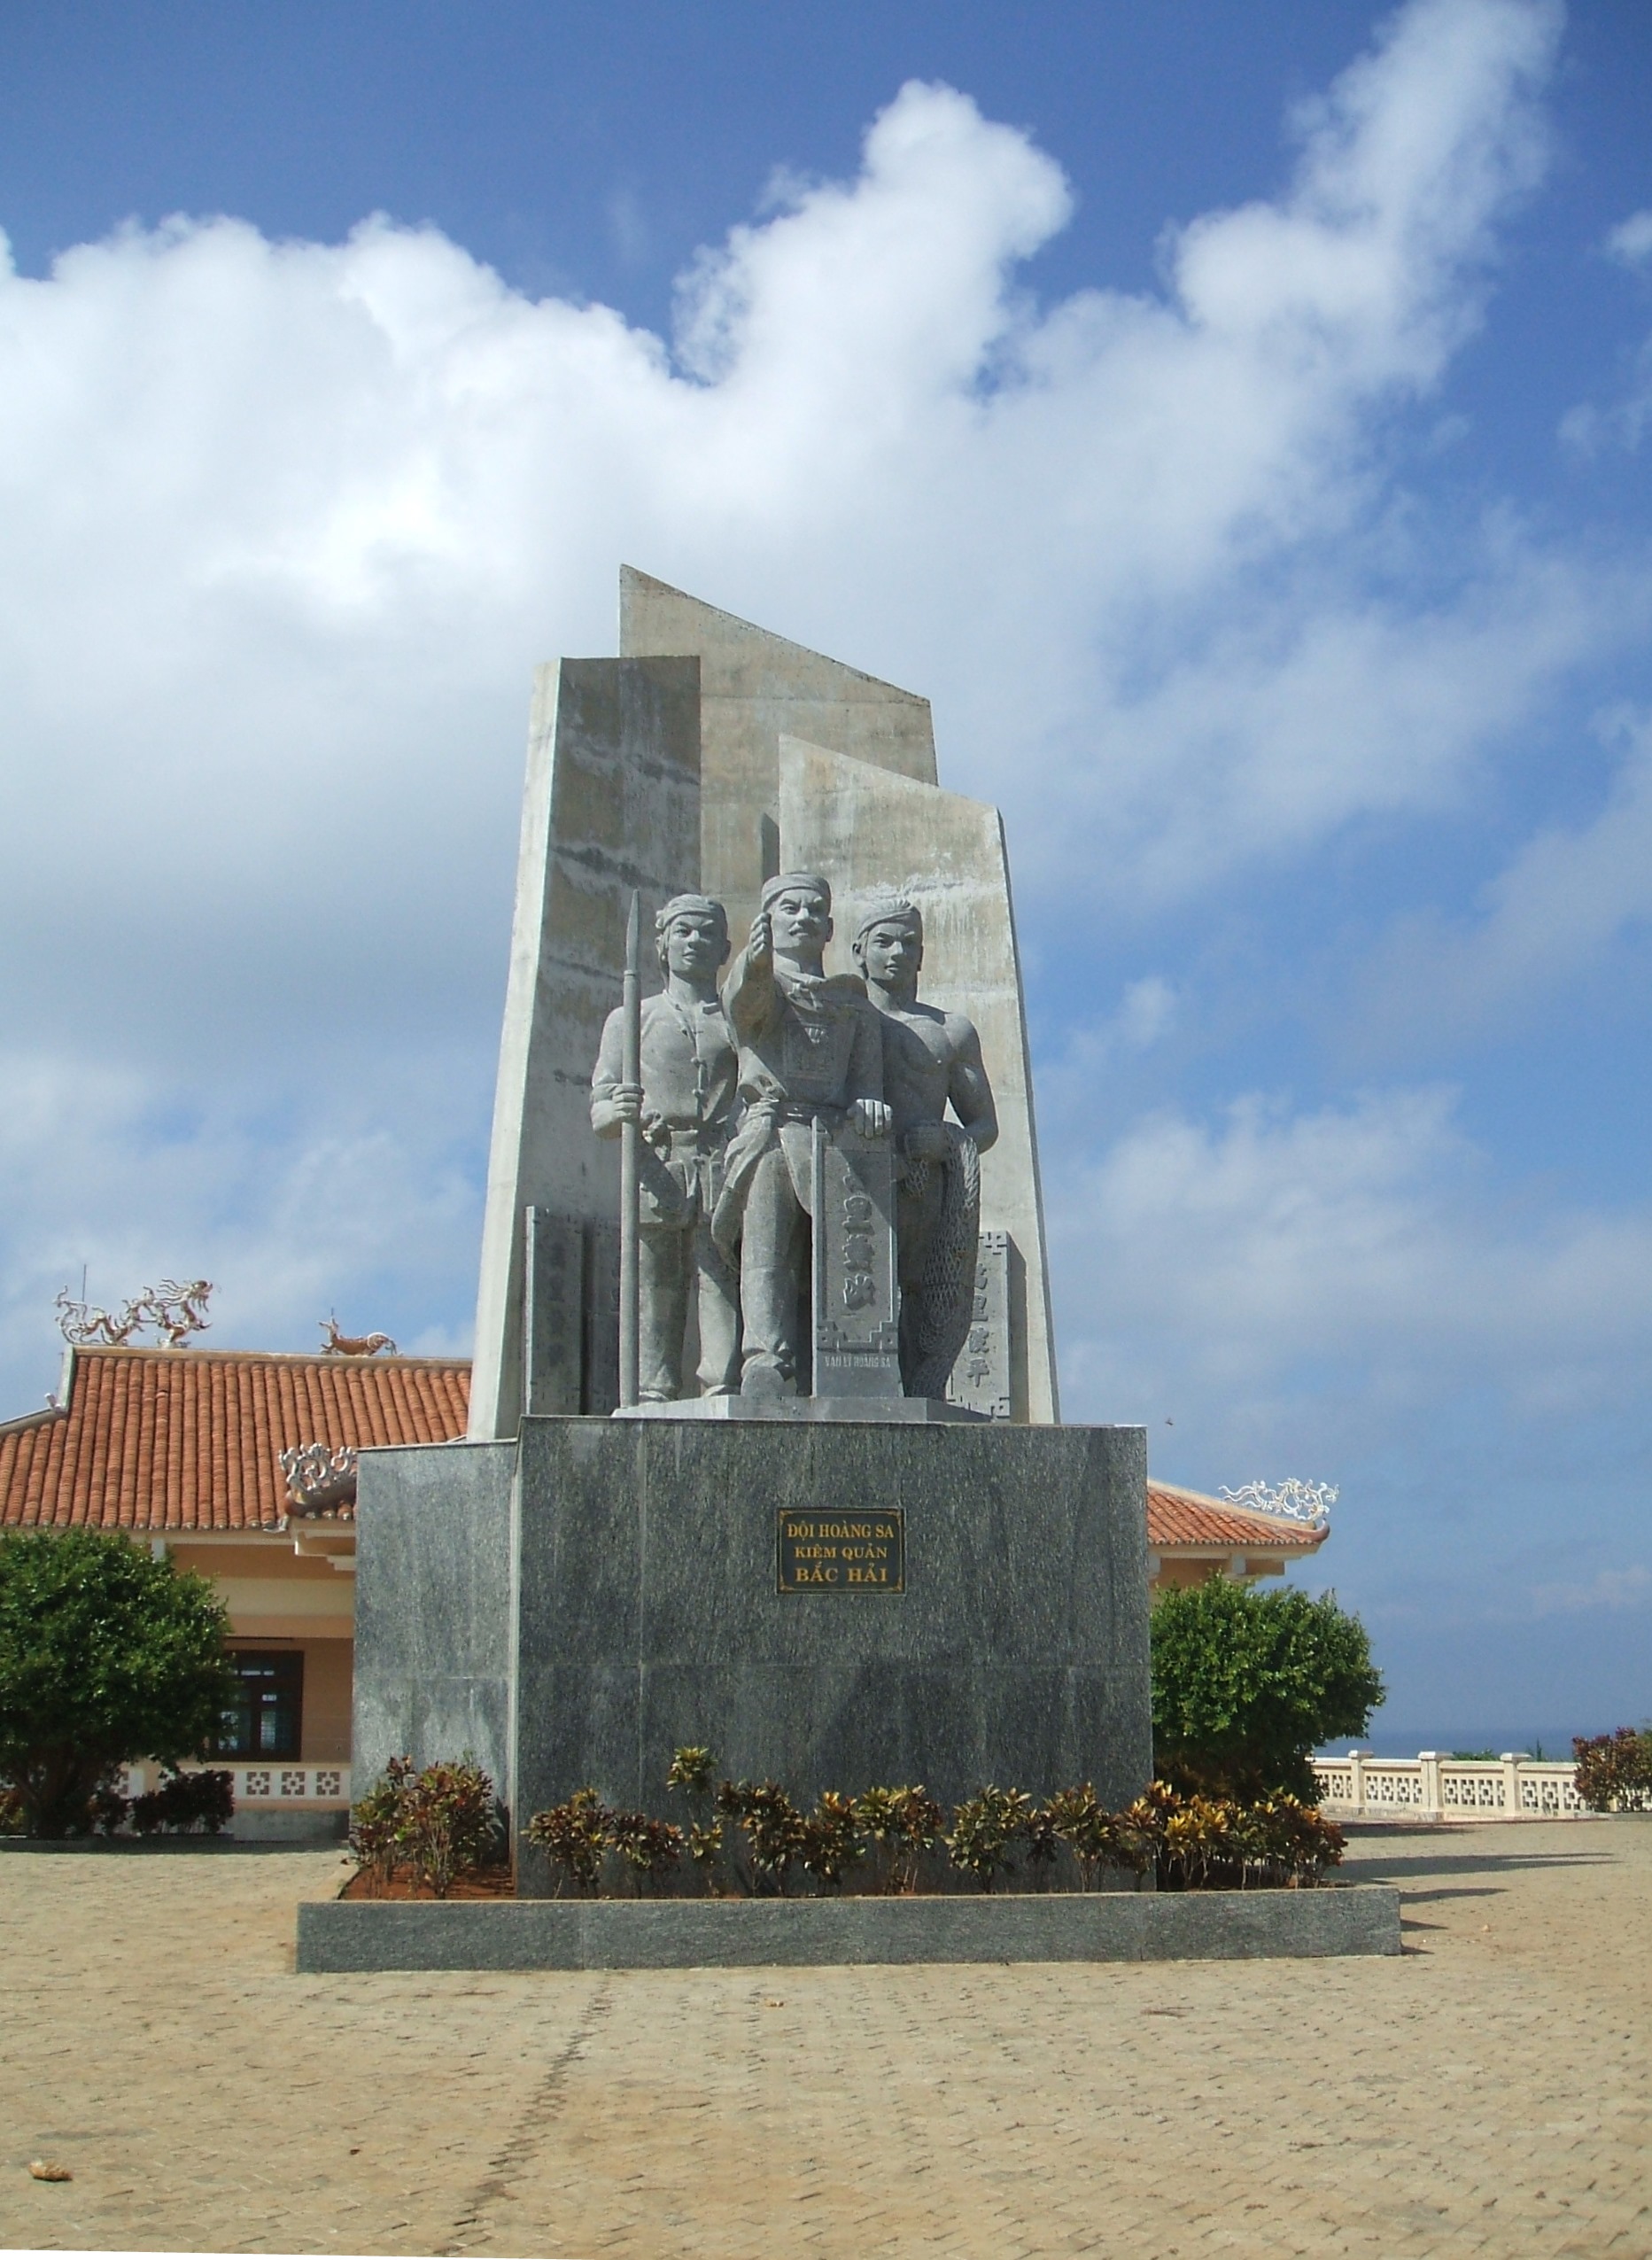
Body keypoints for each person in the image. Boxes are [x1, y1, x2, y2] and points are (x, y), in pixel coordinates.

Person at [712, 872, 891, 1395]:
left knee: (837, 1261)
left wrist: (871, 1106)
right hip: (771, 1133)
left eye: (814, 910)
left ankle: (845, 1360)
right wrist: (755, 961)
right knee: (765, 1254)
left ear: (830, 927)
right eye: (790, 909)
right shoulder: (758, 984)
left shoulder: (854, 1002)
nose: (803, 918)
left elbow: (868, 1080)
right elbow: (744, 1008)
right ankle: (764, 1359)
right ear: (769, 920)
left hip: (835, 1143)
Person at [591, 894, 740, 1402]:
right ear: (663, 945)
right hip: (658, 1165)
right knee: (657, 1286)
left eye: (705, 933)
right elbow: (601, 1104)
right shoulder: (632, 1019)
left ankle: (721, 1380)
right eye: (683, 931)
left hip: (722, 1161)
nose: (694, 941)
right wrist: (621, 1110)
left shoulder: (737, 1021)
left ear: (724, 948)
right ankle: (653, 1386)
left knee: (721, 1277)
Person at [853, 898, 997, 1398]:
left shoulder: (950, 1032)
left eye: (908, 943)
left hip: (926, 1185)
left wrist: (947, 1141)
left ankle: (924, 1389)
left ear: (922, 955)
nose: (897, 953)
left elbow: (985, 1126)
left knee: (924, 1295)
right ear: (858, 952)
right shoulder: (842, 1024)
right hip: (857, 1184)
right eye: (884, 941)